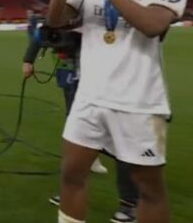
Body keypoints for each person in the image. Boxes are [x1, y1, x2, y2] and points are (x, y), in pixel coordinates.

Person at [47, 0, 187, 223]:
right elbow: (54, 22)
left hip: (137, 102)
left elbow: (152, 25)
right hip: (89, 98)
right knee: (71, 174)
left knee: (149, 190)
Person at [22, 28, 139, 223]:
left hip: (112, 85)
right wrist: (29, 59)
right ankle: (72, 188)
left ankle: (130, 203)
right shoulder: (70, 15)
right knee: (75, 137)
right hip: (75, 81)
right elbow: (42, 33)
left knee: (120, 140)